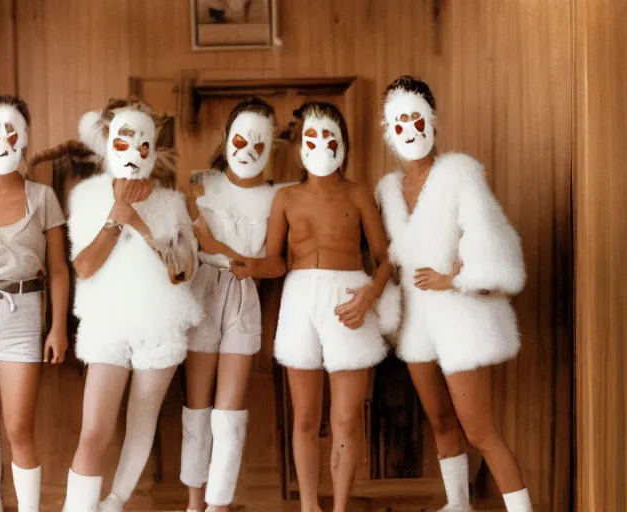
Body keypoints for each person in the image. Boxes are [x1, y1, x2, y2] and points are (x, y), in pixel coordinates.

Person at [230, 101, 399, 512]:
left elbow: (386, 257)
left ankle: (339, 507)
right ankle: (309, 506)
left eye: (329, 137)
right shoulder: (286, 199)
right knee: (304, 417)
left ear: (342, 141)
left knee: (346, 419)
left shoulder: (358, 193)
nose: (321, 145)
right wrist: (242, 264)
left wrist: (370, 294)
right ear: (300, 145)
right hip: (299, 299)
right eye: (312, 137)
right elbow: (275, 262)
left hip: (349, 298)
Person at [375, 76, 531, 512]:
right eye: (399, 121)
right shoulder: (388, 190)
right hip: (417, 323)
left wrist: (452, 279)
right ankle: (458, 505)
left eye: (416, 117)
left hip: (462, 319)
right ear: (389, 130)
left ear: (432, 120)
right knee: (441, 422)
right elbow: (391, 256)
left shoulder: (459, 173)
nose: (410, 128)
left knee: (480, 431)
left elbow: (491, 244)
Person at [62, 98, 202, 511]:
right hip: (107, 326)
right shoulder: (86, 197)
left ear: (154, 148)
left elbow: (183, 273)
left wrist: (140, 224)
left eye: (144, 145)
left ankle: (114, 503)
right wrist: (117, 216)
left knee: (142, 424)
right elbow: (84, 267)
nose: (134, 153)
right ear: (108, 143)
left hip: (160, 324)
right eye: (124, 142)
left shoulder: (172, 203)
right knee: (95, 431)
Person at [179, 98, 292, 512]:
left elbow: (277, 262)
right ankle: (194, 502)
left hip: (244, 299)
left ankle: (219, 504)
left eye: (258, 145)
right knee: (196, 406)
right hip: (202, 292)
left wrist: (238, 261)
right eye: (240, 140)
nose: (247, 151)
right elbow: (196, 245)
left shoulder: (279, 195)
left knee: (229, 416)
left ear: (271, 147)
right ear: (227, 138)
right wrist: (232, 257)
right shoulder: (199, 182)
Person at [0, 95, 69, 511]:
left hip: (23, 310)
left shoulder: (43, 198)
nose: (4, 142)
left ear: (24, 138)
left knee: (19, 426)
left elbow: (59, 270)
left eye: (12, 133)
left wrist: (58, 327)